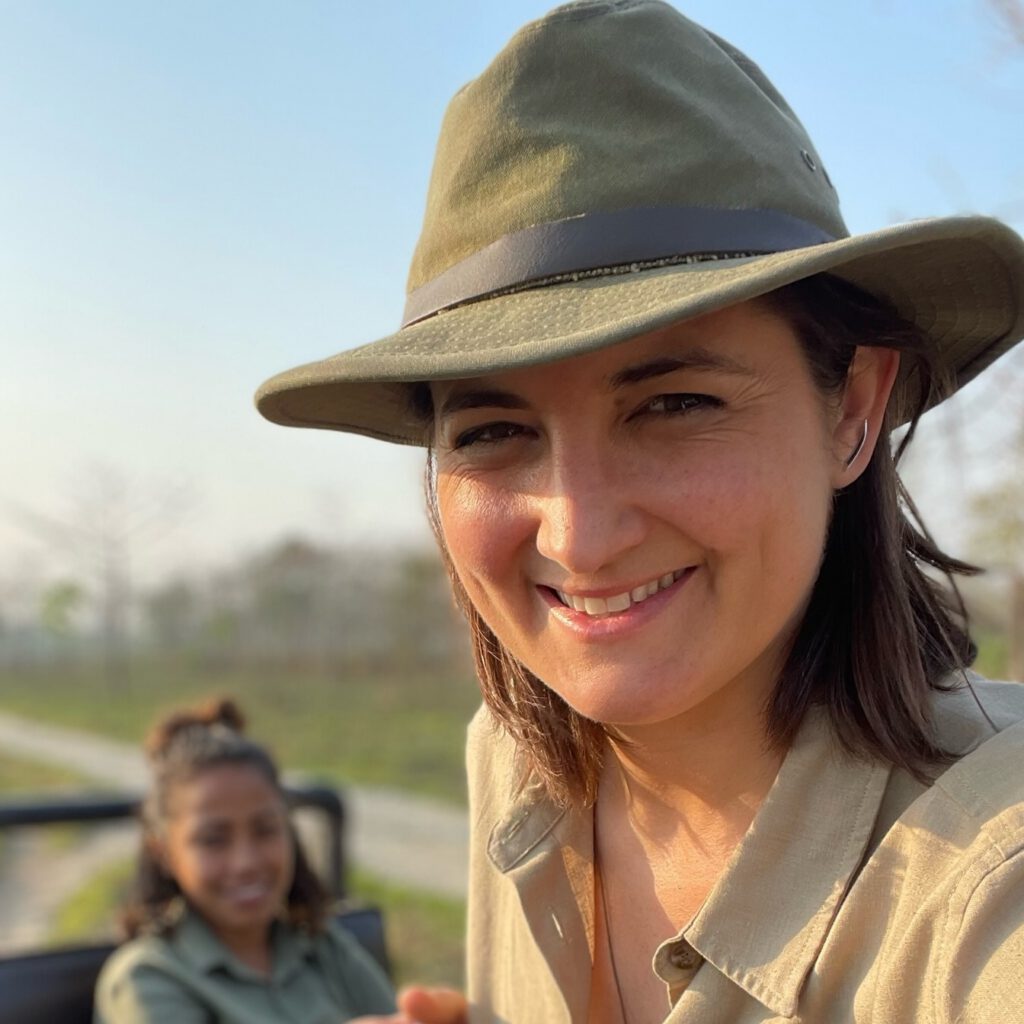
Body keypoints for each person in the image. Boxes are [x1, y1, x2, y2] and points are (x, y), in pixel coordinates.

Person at [257, 3, 1024, 1021]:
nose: (577, 531)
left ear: (850, 408)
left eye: (673, 405)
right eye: (493, 430)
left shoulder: (983, 904)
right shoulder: (520, 760)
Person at [94, 698, 396, 1023]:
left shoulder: (323, 949)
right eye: (213, 840)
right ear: (164, 853)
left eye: (265, 830)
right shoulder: (146, 978)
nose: (246, 863)